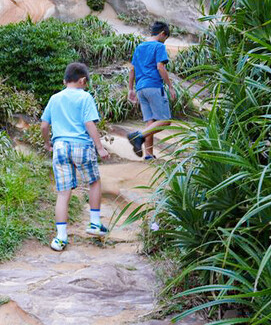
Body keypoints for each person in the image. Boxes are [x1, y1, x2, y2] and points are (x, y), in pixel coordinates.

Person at [41, 62, 110, 251]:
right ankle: (95, 223)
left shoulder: (54, 98)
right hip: (81, 145)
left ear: (65, 80)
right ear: (82, 80)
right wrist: (100, 147)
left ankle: (60, 237)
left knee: (63, 193)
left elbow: (44, 126)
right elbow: (89, 123)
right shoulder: (85, 97)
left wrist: (48, 143)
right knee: (94, 182)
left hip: (60, 146)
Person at [126, 21, 175, 160]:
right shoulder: (159, 46)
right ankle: (138, 136)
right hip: (153, 86)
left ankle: (148, 155)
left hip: (140, 88)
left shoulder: (140, 47)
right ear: (162, 34)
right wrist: (170, 86)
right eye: (165, 38)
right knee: (165, 120)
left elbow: (132, 69)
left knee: (151, 121)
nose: (164, 42)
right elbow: (160, 67)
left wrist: (130, 89)